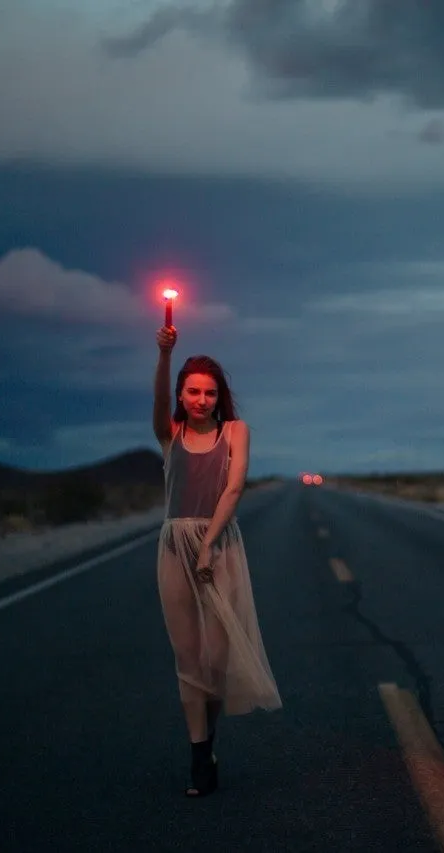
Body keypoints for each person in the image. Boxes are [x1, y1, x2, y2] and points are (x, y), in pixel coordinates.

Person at [153, 323, 282, 798]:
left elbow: (235, 486)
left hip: (220, 545)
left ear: (219, 395)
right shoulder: (171, 434)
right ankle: (198, 755)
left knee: (217, 658)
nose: (201, 400)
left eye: (209, 392)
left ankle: (209, 740)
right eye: (192, 391)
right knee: (188, 660)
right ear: (181, 394)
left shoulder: (236, 431)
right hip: (173, 547)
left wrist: (208, 544)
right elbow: (156, 408)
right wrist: (164, 355)